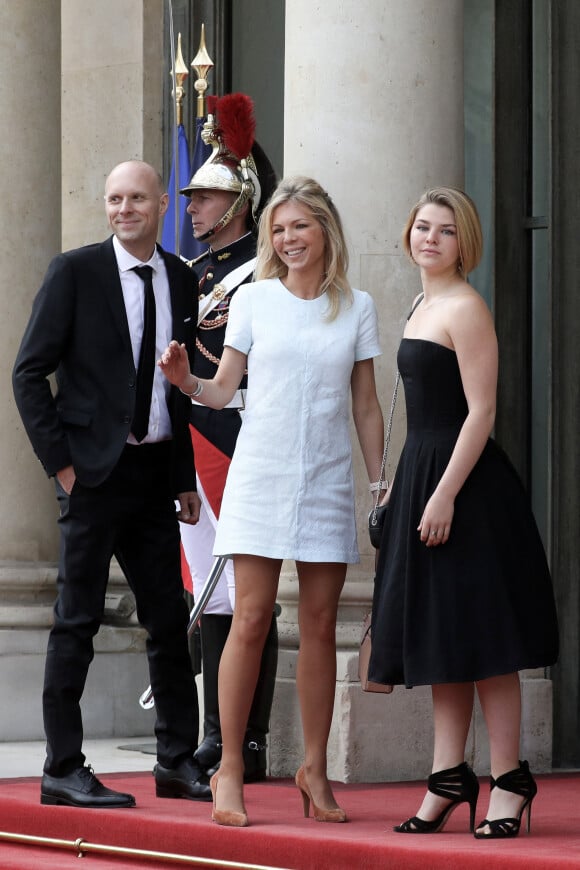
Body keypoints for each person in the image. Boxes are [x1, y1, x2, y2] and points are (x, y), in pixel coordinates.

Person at [159, 175, 384, 827]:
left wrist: (380, 480)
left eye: (299, 227)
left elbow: (365, 403)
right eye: (278, 229)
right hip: (261, 473)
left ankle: (313, 769)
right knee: (251, 619)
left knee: (317, 627)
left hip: (328, 478)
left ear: (325, 232)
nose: (287, 239)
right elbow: (225, 389)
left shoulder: (357, 306)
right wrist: (187, 381)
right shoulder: (254, 300)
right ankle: (230, 767)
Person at [12, 160, 212, 808]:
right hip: (94, 477)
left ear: (160, 204)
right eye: (114, 199)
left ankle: (177, 761)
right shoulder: (75, 272)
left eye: (136, 198)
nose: (124, 208)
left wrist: (182, 476)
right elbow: (27, 374)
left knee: (167, 620)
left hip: (156, 475)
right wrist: (62, 466)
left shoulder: (181, 278)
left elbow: (177, 389)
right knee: (76, 621)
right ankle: (61, 767)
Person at [368, 187, 559, 839]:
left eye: (445, 231)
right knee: (441, 639)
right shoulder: (421, 304)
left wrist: (445, 492)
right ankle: (448, 777)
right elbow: (418, 412)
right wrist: (401, 486)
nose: (430, 238)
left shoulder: (466, 306)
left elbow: (481, 411)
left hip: (467, 488)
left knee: (487, 642)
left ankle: (508, 780)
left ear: (464, 243)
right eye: (422, 226)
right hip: (425, 477)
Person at [177, 93, 279, 783]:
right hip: (193, 438)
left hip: (239, 435)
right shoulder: (194, 275)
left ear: (240, 200)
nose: (191, 209)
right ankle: (215, 731)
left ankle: (253, 740)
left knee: (247, 595)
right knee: (210, 595)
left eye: (205, 199)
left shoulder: (261, 274)